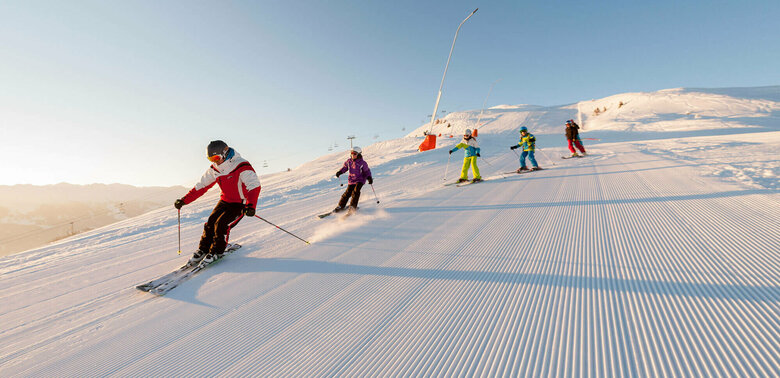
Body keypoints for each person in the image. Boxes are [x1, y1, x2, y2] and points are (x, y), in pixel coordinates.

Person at [174, 140, 261, 265]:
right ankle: (203, 249)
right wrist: (184, 200)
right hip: (225, 201)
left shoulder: (241, 165)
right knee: (210, 223)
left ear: (225, 153)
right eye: (211, 159)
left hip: (240, 203)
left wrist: (251, 205)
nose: (215, 161)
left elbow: (254, 185)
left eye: (216, 158)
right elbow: (201, 186)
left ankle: (217, 251)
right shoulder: (215, 169)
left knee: (221, 225)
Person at [334, 146, 373, 214]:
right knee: (347, 193)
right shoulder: (349, 161)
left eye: (354, 154)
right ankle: (340, 206)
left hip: (360, 180)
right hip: (351, 180)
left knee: (356, 191)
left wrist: (369, 177)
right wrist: (340, 172)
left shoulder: (362, 163)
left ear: (358, 154)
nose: (353, 155)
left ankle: (352, 207)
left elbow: (366, 171)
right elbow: (345, 168)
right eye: (351, 153)